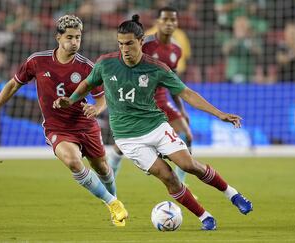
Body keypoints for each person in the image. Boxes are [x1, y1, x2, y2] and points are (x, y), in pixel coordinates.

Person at [54, 14, 253, 230]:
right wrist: (72, 99)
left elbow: (187, 93)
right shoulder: (106, 63)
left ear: (141, 41)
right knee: (168, 177)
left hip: (156, 127)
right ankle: (205, 217)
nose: (124, 49)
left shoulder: (156, 68)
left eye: (129, 43)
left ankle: (232, 194)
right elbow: (87, 83)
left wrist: (219, 113)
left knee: (188, 165)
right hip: (128, 138)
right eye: (120, 44)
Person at [0, 15, 128, 227]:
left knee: (102, 168)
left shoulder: (87, 67)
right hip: (57, 128)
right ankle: (113, 203)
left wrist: (96, 108)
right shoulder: (37, 61)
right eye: (69, 37)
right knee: (73, 162)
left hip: (85, 125)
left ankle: (114, 202)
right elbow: (13, 85)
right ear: (58, 37)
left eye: (78, 37)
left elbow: (102, 97)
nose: (74, 42)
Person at [108, 7, 193, 185]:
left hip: (161, 99)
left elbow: (174, 83)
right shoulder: (144, 44)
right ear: (158, 22)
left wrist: (182, 110)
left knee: (186, 135)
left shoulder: (176, 50)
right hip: (141, 101)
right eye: (165, 20)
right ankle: (109, 178)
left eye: (173, 20)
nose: (169, 24)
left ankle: (183, 183)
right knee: (123, 144)